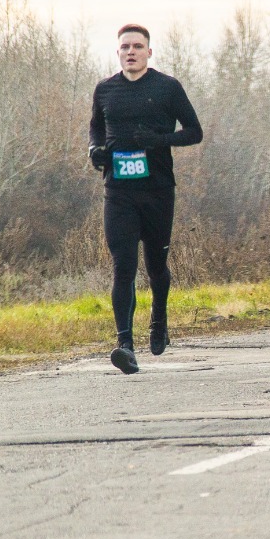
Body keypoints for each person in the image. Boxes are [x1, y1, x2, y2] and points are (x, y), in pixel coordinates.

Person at [89, 24, 204, 375]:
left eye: (138, 46)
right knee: (123, 266)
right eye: (125, 47)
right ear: (118, 52)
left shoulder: (167, 87)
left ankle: (159, 319)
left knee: (156, 266)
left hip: (157, 190)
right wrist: (94, 149)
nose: (131, 52)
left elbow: (194, 132)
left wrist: (158, 140)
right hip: (118, 191)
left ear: (149, 52)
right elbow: (96, 126)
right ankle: (125, 344)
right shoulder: (105, 89)